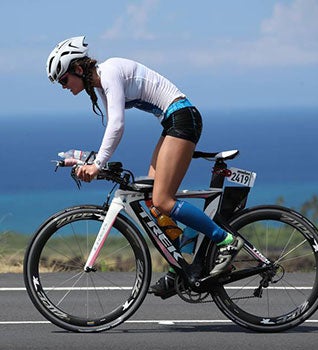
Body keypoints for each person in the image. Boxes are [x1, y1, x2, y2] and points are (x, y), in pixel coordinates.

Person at [46, 36, 243, 298]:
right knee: (151, 198)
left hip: (183, 118)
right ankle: (181, 267)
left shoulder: (110, 73)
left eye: (63, 80)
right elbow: (110, 131)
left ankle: (226, 241)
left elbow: (117, 125)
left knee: (162, 199)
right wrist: (88, 160)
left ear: (78, 69)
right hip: (173, 122)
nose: (63, 86)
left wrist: (97, 164)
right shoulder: (102, 86)